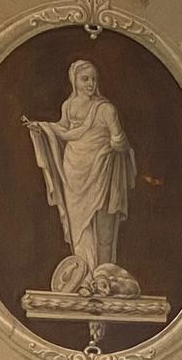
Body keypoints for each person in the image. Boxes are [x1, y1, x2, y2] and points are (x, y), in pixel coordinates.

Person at [23, 60, 139, 294]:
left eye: (94, 79)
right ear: (74, 80)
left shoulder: (106, 109)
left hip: (101, 170)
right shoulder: (68, 106)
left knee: (103, 224)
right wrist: (42, 128)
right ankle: (82, 278)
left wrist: (111, 147)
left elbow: (119, 140)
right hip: (74, 170)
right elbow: (63, 130)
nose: (90, 83)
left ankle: (102, 278)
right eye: (85, 79)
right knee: (80, 226)